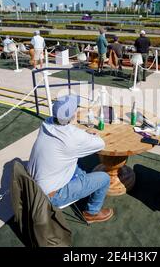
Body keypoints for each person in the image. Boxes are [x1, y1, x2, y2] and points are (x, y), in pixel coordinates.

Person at [27, 95, 114, 224]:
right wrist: (89, 134)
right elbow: (100, 144)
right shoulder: (74, 137)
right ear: (73, 114)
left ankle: (84, 187)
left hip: (33, 186)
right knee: (105, 178)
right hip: (51, 196)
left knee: (75, 164)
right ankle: (91, 213)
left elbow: (66, 134)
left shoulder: (46, 123)